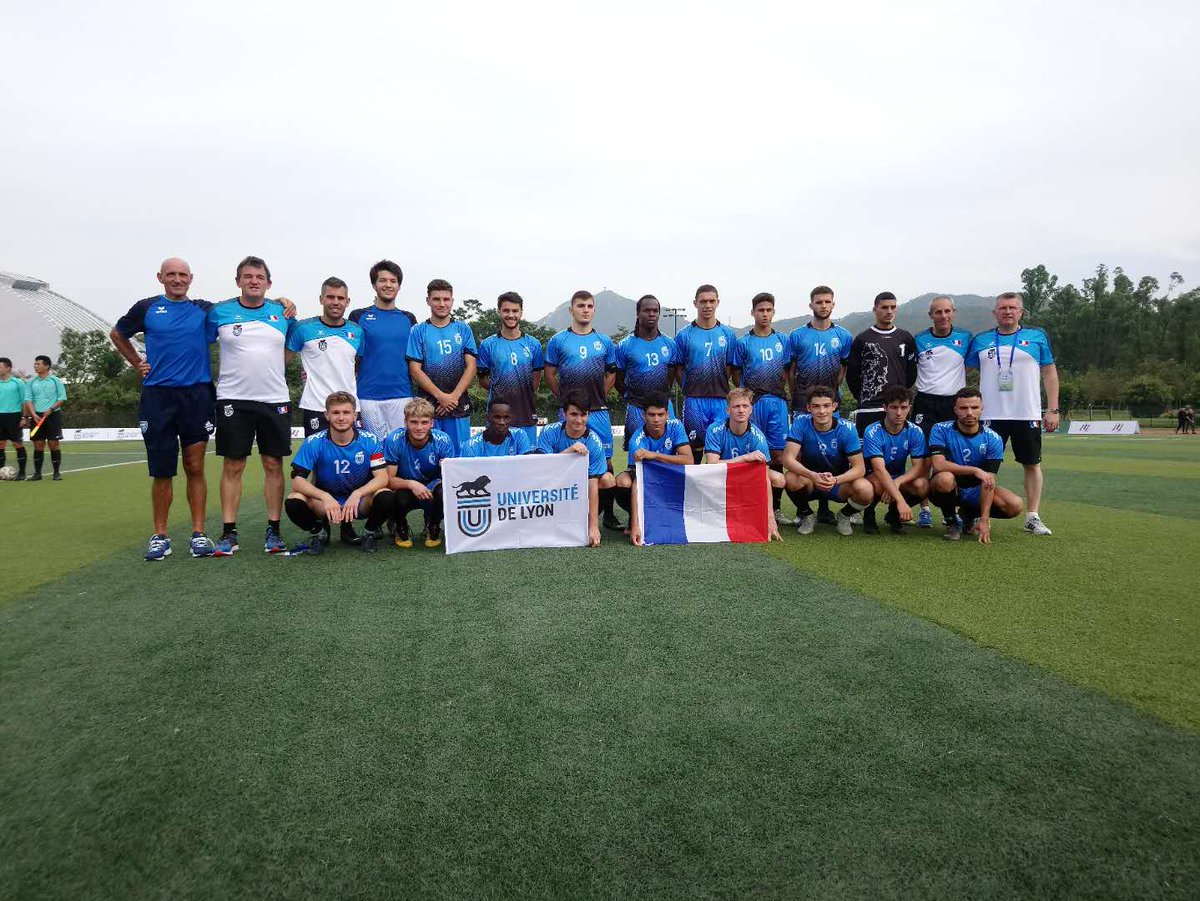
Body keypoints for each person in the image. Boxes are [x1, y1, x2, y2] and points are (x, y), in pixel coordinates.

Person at [206, 255, 293, 555]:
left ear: (269, 283)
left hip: (274, 398)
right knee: (233, 465)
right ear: (238, 281)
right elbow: (198, 344)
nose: (254, 281)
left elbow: (294, 346)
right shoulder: (219, 312)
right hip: (233, 398)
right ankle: (229, 532)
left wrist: (274, 367)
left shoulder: (283, 312)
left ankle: (274, 530)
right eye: (248, 276)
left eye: (259, 277)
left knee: (273, 464)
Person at [966, 291, 1059, 536]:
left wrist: (1053, 409)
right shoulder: (981, 340)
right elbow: (962, 371)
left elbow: (1049, 373)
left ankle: (1032, 516)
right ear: (994, 313)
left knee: (1032, 464)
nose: (1007, 311)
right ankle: (974, 514)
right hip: (990, 414)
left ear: (1021, 312)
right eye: (1003, 308)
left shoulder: (1037, 336)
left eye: (1012, 308)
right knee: (981, 466)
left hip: (1026, 413)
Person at [544, 290, 620, 529]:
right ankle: (562, 512)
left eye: (589, 306)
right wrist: (563, 398)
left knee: (606, 463)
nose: (585, 310)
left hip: (598, 411)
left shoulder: (604, 341)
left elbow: (612, 374)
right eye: (580, 306)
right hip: (570, 412)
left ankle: (608, 515)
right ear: (571, 310)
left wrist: (600, 395)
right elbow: (549, 373)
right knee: (565, 460)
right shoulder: (558, 341)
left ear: (594, 310)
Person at [284, 392, 394, 555]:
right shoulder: (314, 442)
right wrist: (325, 497)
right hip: (325, 503)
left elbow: (382, 477)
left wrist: (357, 494)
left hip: (359, 502)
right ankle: (319, 532)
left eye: (346, 412)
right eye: (336, 413)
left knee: (386, 496)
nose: (341, 418)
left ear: (354, 415)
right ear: (327, 415)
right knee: (294, 501)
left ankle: (369, 532)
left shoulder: (370, 440)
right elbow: (297, 481)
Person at [788, 285, 854, 525]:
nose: (823, 306)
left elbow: (843, 368)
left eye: (827, 302)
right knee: (802, 451)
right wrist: (796, 393)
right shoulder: (797, 335)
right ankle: (804, 508)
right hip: (803, 401)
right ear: (811, 305)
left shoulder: (843, 336)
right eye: (819, 302)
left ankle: (826, 506)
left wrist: (833, 392)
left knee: (831, 451)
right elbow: (791, 369)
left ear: (833, 304)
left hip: (829, 401)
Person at [928, 387, 1024, 543]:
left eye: (974, 407)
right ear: (955, 410)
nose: (969, 413)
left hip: (976, 490)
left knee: (1015, 505)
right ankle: (952, 522)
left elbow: (989, 481)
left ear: (981, 409)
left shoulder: (993, 438)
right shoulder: (940, 429)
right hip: (948, 486)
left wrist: (985, 519)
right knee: (945, 479)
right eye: (963, 408)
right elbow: (938, 465)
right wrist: (975, 470)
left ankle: (969, 515)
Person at [733, 292, 793, 522]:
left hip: (777, 403)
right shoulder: (743, 343)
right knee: (752, 453)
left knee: (778, 454)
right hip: (754, 404)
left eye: (768, 310)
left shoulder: (783, 340)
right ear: (753, 312)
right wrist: (748, 396)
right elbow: (736, 374)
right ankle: (749, 505)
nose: (765, 314)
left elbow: (787, 371)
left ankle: (775, 508)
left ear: (773, 312)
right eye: (760, 310)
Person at [912, 295, 971, 528]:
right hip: (925, 403)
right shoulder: (919, 339)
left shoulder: (965, 338)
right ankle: (924, 509)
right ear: (931, 315)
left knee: (952, 459)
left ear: (954, 312)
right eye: (938, 312)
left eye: (947, 311)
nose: (943, 316)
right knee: (923, 459)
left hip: (952, 404)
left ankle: (955, 510)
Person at [781, 385, 873, 535]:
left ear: (834, 406)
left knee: (866, 489)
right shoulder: (801, 422)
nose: (822, 411)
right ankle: (808, 515)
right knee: (790, 478)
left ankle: (844, 515)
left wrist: (835, 480)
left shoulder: (847, 428)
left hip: (837, 484)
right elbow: (787, 459)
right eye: (816, 406)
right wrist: (813, 476)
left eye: (826, 405)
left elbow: (860, 468)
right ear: (808, 408)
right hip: (810, 481)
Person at [406, 278, 478, 455]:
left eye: (446, 299)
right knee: (430, 457)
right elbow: (414, 369)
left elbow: (471, 366)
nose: (442, 304)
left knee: (459, 457)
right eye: (436, 299)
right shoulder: (418, 330)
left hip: (458, 405)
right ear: (428, 300)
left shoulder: (463, 329)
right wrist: (441, 396)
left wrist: (453, 397)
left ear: (452, 301)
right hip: (429, 407)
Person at [349, 260, 418, 438]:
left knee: (400, 448)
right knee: (374, 450)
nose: (388, 285)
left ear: (399, 286)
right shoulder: (358, 316)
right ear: (374, 285)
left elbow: (416, 361)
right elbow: (349, 357)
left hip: (402, 395)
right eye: (383, 280)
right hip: (367, 397)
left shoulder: (409, 319)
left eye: (393, 281)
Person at [675, 284, 742, 464]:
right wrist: (687, 388)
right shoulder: (684, 335)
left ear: (717, 302)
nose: (707, 305)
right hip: (694, 401)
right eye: (703, 301)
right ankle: (694, 484)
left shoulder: (727, 334)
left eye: (712, 301)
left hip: (720, 400)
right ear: (695, 303)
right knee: (694, 451)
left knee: (719, 450)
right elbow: (678, 368)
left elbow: (729, 366)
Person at [287, 277, 362, 437]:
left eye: (340, 298)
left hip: (349, 407)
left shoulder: (357, 331)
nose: (335, 302)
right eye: (330, 297)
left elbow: (357, 365)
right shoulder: (302, 329)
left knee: (353, 452)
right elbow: (280, 363)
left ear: (347, 302)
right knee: (318, 453)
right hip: (316, 406)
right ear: (321, 299)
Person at [535, 392, 611, 548]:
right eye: (574, 414)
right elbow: (542, 467)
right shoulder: (549, 431)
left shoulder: (594, 442)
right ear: (564, 414)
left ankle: (585, 519)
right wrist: (569, 452)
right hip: (551, 485)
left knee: (607, 480)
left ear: (589, 415)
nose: (579, 420)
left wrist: (593, 526)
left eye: (583, 415)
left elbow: (592, 483)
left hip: (577, 488)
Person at [615, 393, 691, 544]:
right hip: (649, 482)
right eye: (651, 415)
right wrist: (635, 525)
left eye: (660, 414)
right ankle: (636, 517)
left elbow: (689, 459)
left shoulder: (676, 426)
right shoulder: (637, 440)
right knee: (622, 481)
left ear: (667, 414)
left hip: (670, 479)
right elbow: (638, 481)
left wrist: (655, 455)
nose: (656, 419)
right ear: (644, 416)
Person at [382, 398, 455, 548]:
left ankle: (433, 524)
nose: (419, 427)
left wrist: (446, 468)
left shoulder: (443, 440)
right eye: (414, 422)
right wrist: (411, 484)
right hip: (405, 486)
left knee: (445, 491)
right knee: (390, 495)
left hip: (433, 486)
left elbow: (452, 479)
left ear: (431, 423)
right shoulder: (394, 440)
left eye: (424, 422)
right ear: (405, 423)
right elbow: (388, 480)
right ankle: (399, 524)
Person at [476, 292, 544, 446]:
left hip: (526, 415)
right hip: (497, 418)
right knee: (497, 459)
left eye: (515, 311)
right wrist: (501, 389)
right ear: (499, 312)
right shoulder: (488, 345)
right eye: (506, 310)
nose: (511, 315)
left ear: (521, 313)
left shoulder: (533, 344)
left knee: (528, 459)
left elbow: (536, 381)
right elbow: (483, 381)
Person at [845, 291, 917, 436]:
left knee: (896, 448)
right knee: (867, 447)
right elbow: (852, 375)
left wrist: (901, 394)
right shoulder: (862, 339)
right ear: (875, 310)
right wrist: (863, 396)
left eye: (893, 307)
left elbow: (911, 372)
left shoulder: (905, 337)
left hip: (897, 407)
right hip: (869, 406)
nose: (889, 311)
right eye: (884, 307)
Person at [861, 386, 930, 534]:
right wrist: (901, 501)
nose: (899, 413)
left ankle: (893, 514)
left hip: (898, 476)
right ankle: (869, 513)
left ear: (909, 408)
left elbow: (918, 467)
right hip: (875, 476)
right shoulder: (872, 431)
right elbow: (879, 469)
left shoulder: (915, 431)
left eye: (903, 407)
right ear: (885, 408)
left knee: (922, 485)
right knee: (876, 483)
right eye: (894, 407)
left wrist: (897, 482)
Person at [614, 295, 679, 449]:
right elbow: (618, 379)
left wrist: (660, 397)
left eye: (655, 311)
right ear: (638, 313)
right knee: (637, 453)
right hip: (636, 408)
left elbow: (670, 377)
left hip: (664, 407)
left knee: (669, 449)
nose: (652, 314)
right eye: (647, 310)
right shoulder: (625, 345)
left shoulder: (669, 343)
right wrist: (631, 397)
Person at [25, 355, 67, 481]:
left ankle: (56, 473)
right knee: (38, 445)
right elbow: (28, 399)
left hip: (53, 416)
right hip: (36, 416)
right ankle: (37, 473)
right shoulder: (31, 382)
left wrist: (51, 409)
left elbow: (62, 399)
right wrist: (33, 414)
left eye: (38, 364)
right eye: (35, 364)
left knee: (54, 444)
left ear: (47, 366)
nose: (35, 366)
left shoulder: (56, 381)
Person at [459, 399, 532, 457]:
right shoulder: (471, 447)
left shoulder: (519, 436)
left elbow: (526, 466)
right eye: (497, 417)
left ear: (511, 419)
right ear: (488, 418)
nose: (502, 422)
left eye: (506, 417)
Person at [0, 357, 31, 481]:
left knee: (17, 444)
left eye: (0, 367)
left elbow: (25, 401)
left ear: (8, 368)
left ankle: (22, 473)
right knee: (0, 444)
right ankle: (1, 472)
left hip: (14, 416)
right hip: (0, 416)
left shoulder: (18, 383)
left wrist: (24, 417)